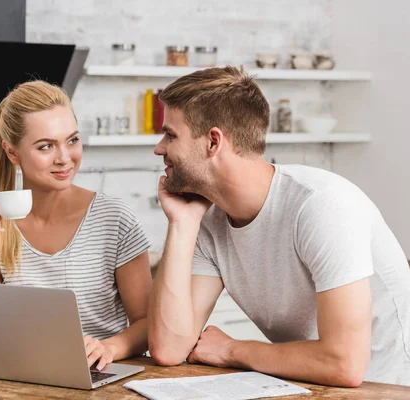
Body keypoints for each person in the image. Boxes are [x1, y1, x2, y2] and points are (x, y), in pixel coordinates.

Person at [148, 66, 410, 386]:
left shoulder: (321, 205)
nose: (159, 148)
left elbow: (345, 364)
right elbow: (169, 348)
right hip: (310, 386)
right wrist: (181, 224)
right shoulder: (209, 219)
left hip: (388, 386)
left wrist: (233, 349)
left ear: (213, 142)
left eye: (170, 135)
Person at [0, 80, 152, 371]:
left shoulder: (114, 219)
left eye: (72, 140)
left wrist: (109, 347)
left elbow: (148, 323)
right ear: (12, 153)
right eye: (46, 146)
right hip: (23, 376)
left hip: (103, 379)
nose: (64, 158)